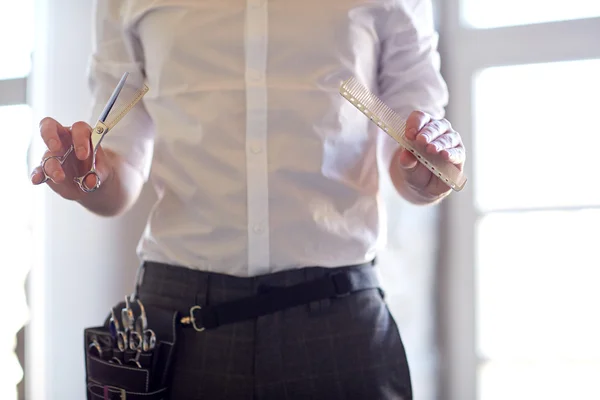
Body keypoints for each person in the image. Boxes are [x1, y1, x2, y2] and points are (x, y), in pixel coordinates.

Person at [31, 0, 465, 398]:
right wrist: (89, 175)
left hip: (339, 318)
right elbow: (119, 169)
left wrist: (429, 169)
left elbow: (414, 141)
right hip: (181, 323)